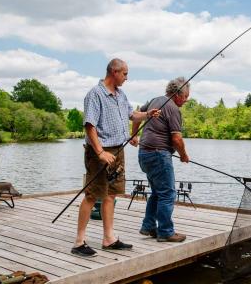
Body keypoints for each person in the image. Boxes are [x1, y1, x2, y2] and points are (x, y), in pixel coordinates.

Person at [72, 58, 160, 257]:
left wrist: (147, 114)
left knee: (111, 194)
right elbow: (89, 126)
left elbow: (131, 115)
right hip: (100, 152)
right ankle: (79, 242)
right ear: (114, 72)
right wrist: (100, 152)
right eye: (125, 74)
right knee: (92, 195)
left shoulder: (121, 94)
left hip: (118, 151)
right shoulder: (95, 94)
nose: (127, 78)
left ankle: (108, 239)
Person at [131, 77, 190, 243]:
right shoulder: (173, 109)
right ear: (178, 94)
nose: (186, 100)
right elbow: (177, 139)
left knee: (158, 192)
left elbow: (136, 116)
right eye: (185, 96)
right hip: (159, 155)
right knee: (168, 194)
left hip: (144, 154)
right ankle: (165, 231)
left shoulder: (155, 100)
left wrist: (134, 135)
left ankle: (149, 226)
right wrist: (184, 155)